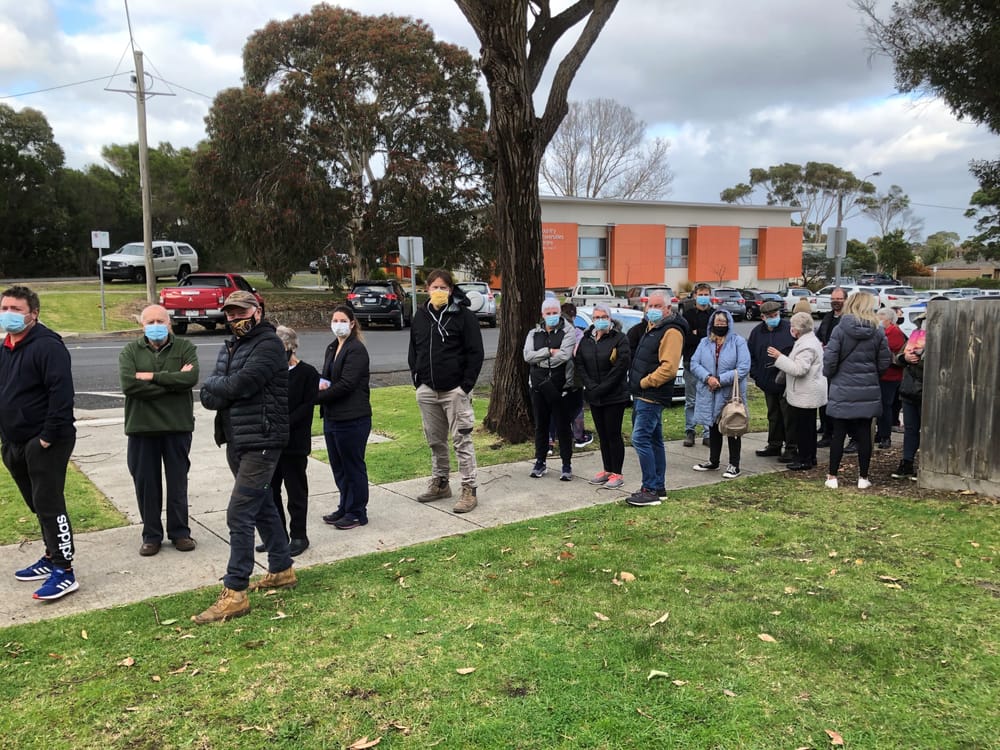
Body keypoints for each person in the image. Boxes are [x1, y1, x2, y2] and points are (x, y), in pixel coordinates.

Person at [194, 290, 294, 624]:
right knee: (261, 505)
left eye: (241, 312)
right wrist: (223, 387)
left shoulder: (269, 345)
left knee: (239, 513)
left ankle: (235, 591)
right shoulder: (231, 347)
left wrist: (221, 386)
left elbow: (244, 383)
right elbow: (209, 395)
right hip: (236, 439)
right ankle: (281, 568)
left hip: (263, 440)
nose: (235, 318)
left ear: (258, 312)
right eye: (230, 314)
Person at [1, 285, 79, 601]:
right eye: (4, 308)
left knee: (50, 504)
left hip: (47, 441)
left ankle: (64, 570)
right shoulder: (5, 348)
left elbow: (61, 396)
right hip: (14, 442)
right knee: (36, 503)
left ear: (33, 314)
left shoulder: (48, 346)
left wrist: (46, 437)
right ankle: (50, 556)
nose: (8, 315)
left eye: (16, 310)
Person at [118, 304, 199, 557]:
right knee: (146, 485)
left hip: (177, 427)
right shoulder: (130, 351)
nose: (155, 326)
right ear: (142, 325)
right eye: (150, 322)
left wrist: (150, 377)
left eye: (160, 321)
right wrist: (171, 381)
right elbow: (129, 385)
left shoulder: (185, 348)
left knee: (177, 483)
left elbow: (190, 379)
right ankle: (151, 535)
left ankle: (180, 533)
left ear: (169, 323)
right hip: (142, 428)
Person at [408, 269, 484, 513]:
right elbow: (414, 351)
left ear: (451, 290)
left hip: (455, 391)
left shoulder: (464, 316)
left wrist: (465, 387)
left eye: (443, 287)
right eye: (434, 287)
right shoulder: (420, 316)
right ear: (426, 289)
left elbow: (476, 353)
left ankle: (469, 488)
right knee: (435, 440)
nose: (438, 291)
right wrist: (417, 380)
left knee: (462, 440)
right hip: (427, 389)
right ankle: (440, 482)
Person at [822, 292, 891, 490]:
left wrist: (831, 375)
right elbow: (884, 360)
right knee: (864, 433)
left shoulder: (840, 329)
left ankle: (833, 476)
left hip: (842, 386)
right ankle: (863, 477)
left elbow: (830, 360)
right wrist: (872, 374)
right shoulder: (878, 331)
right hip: (868, 388)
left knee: (838, 433)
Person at [260, 326, 319, 554]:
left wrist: (282, 423)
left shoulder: (308, 373)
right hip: (270, 444)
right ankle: (277, 536)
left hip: (294, 443)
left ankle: (298, 536)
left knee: (295, 492)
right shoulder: (269, 373)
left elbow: (307, 406)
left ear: (290, 347)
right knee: (270, 492)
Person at [625, 290, 685, 506]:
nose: (652, 310)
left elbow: (668, 368)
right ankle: (658, 486)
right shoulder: (652, 329)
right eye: (649, 305)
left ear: (668, 309)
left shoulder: (671, 332)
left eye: (657, 306)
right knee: (653, 440)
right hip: (643, 395)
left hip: (651, 395)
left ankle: (649, 489)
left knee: (640, 438)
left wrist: (645, 382)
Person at [317, 306, 372, 530]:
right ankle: (345, 505)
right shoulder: (333, 347)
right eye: (334, 319)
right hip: (332, 417)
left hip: (353, 418)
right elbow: (327, 377)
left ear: (352, 323)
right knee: (338, 466)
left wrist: (316, 397)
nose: (337, 323)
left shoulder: (356, 350)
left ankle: (357, 511)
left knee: (352, 466)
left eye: (342, 320)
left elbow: (347, 384)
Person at [574, 302, 631, 489]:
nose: (600, 321)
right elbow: (580, 363)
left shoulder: (619, 339)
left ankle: (618, 472)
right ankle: (607, 469)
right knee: (603, 434)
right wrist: (591, 386)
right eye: (597, 317)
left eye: (604, 317)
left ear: (610, 318)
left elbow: (621, 366)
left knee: (613, 433)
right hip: (594, 395)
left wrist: (602, 387)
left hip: (614, 395)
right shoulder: (586, 339)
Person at [689, 310, 751, 479]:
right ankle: (713, 461)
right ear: (712, 324)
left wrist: (720, 379)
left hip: (729, 392)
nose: (720, 325)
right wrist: (708, 378)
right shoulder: (704, 342)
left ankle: (734, 464)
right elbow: (694, 363)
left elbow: (744, 367)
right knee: (713, 425)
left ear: (729, 324)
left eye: (723, 323)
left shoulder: (738, 342)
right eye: (717, 322)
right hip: (709, 391)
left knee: (733, 426)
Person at [524, 297, 579, 481]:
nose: (552, 316)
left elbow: (563, 356)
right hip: (538, 386)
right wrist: (548, 352)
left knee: (563, 426)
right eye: (548, 313)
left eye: (555, 312)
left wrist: (541, 358)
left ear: (559, 312)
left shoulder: (568, 331)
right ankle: (540, 461)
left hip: (560, 387)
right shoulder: (534, 333)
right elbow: (527, 356)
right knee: (541, 425)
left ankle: (566, 464)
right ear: (542, 315)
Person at [768, 312, 827, 470]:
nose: (791, 329)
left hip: (806, 393)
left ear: (798, 329)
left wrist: (780, 358)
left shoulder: (807, 345)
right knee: (807, 427)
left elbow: (799, 369)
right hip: (807, 391)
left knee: (804, 428)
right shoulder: (808, 341)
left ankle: (805, 458)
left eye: (793, 326)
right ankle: (809, 456)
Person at [747, 300, 797, 461]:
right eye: (769, 316)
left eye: (775, 315)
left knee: (788, 415)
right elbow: (751, 357)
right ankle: (774, 444)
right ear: (763, 317)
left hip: (787, 380)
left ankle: (791, 447)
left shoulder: (789, 329)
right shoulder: (756, 333)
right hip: (767, 381)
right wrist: (757, 376)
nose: (773, 318)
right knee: (773, 414)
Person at [549, 301, 592, 451]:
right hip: (573, 377)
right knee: (577, 407)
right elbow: (577, 354)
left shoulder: (553, 330)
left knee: (554, 408)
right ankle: (579, 436)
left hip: (554, 375)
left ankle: (550, 440)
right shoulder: (577, 333)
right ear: (573, 315)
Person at [892, 315, 925, 480]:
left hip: (927, 390)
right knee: (910, 429)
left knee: (927, 430)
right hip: (909, 389)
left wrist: (918, 360)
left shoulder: (947, 336)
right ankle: (907, 462)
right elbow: (898, 357)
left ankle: (926, 465)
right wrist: (904, 358)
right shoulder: (915, 334)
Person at [681, 283, 714, 447]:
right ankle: (690, 431)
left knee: (708, 399)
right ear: (694, 295)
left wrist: (698, 333)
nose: (703, 296)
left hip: (710, 363)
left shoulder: (715, 314)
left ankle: (708, 433)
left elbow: (714, 337)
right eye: (700, 293)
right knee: (691, 400)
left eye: (706, 293)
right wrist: (703, 334)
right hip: (690, 361)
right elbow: (687, 338)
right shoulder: (687, 315)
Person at [816, 287, 847, 448]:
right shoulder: (828, 317)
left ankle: (838, 433)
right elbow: (820, 335)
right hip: (825, 364)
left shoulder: (848, 319)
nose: (836, 301)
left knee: (838, 403)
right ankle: (826, 431)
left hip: (842, 367)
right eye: (834, 299)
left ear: (845, 300)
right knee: (824, 400)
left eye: (839, 299)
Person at [874, 308, 906, 449]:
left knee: (886, 406)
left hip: (890, 375)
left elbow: (889, 350)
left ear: (888, 320)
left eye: (881, 317)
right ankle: (880, 433)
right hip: (883, 374)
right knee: (881, 406)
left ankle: (885, 436)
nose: (879, 320)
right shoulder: (885, 332)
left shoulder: (893, 332)